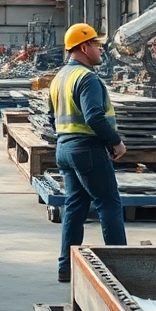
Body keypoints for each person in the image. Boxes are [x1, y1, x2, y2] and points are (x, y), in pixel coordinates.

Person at [50, 23, 126, 283]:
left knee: (75, 206)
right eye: (97, 45)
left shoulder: (59, 77)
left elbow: (52, 117)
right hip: (87, 149)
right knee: (109, 204)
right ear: (84, 47)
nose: (100, 50)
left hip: (65, 149)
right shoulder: (87, 78)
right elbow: (94, 116)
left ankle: (65, 267)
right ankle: (120, 269)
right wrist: (115, 141)